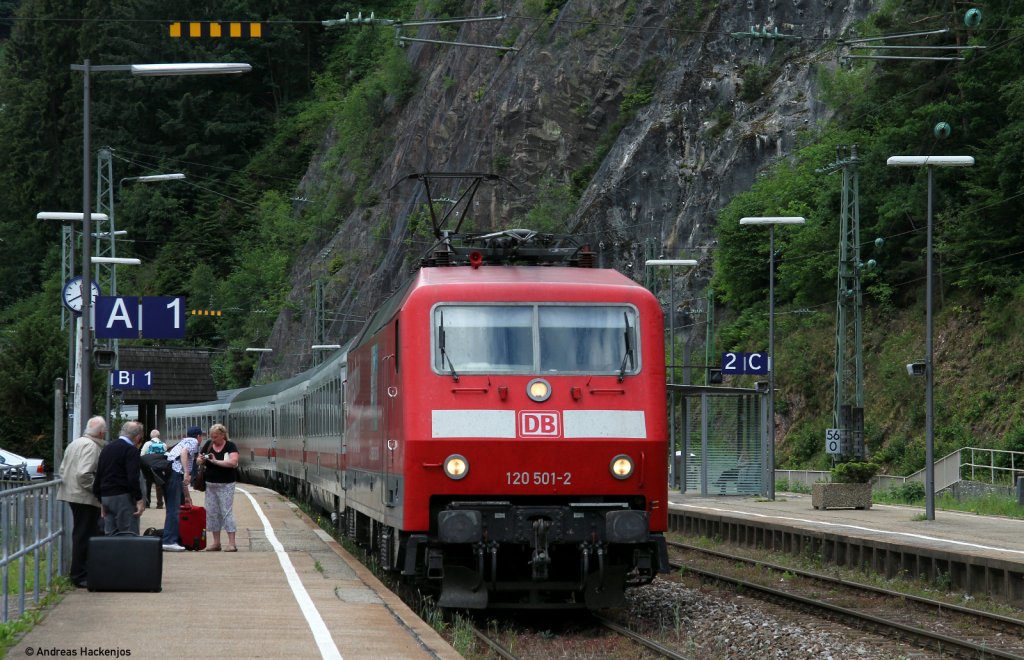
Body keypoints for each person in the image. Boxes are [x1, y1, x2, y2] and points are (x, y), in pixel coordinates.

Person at [57, 416, 107, 588]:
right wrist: (97, 490)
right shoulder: (92, 447)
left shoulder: (75, 443)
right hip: (84, 496)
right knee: (84, 534)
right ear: (101, 433)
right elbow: (84, 474)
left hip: (72, 493)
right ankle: (79, 575)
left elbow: (63, 469)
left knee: (81, 533)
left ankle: (79, 572)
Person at [93, 420, 146, 535]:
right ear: (138, 437)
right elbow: (133, 478)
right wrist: (139, 499)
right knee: (128, 533)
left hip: (106, 496)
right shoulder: (131, 450)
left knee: (110, 534)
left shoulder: (106, 448)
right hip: (122, 497)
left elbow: (99, 474)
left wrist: (100, 499)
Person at [197, 423, 239, 552]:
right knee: (212, 512)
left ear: (222, 435)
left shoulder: (230, 446)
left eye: (215, 437)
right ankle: (216, 543)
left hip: (226, 484)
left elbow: (233, 462)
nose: (213, 439)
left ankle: (232, 543)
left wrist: (215, 461)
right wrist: (201, 460)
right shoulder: (209, 444)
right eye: (212, 436)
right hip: (210, 485)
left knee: (226, 512)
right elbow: (199, 459)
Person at [161, 426, 202, 552]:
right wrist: (187, 473)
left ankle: (173, 538)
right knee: (174, 509)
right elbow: (184, 453)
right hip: (175, 475)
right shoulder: (193, 442)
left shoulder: (182, 441)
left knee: (173, 508)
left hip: (169, 475)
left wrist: (187, 496)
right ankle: (169, 541)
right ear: (198, 436)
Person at [140, 429, 166, 508]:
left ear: (151, 436)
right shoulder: (163, 444)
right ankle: (160, 504)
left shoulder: (147, 444)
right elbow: (165, 455)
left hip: (148, 467)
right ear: (159, 436)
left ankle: (147, 503)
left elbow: (142, 455)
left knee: (147, 484)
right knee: (159, 485)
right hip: (159, 467)